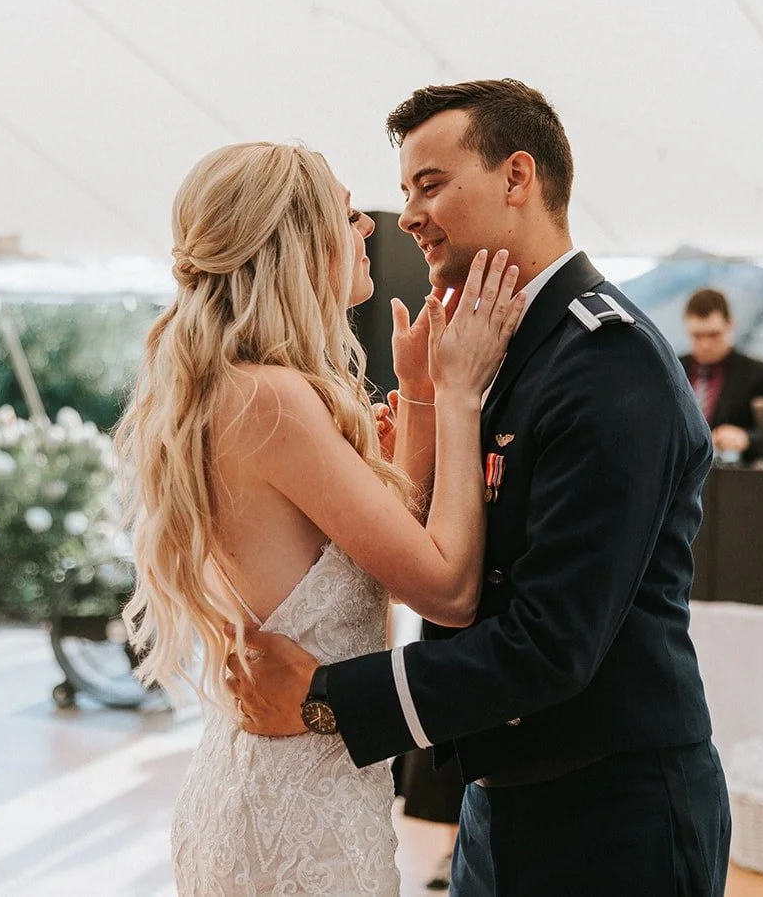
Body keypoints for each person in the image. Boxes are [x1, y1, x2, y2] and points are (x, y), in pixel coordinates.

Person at [230, 80, 730, 896]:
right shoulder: (489, 348)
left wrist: (323, 701)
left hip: (612, 814)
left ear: (516, 178)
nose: (410, 216)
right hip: (502, 802)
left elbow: (551, 641)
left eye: (430, 184)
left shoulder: (608, 361)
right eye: (403, 193)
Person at [115, 141, 525, 895]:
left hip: (277, 782)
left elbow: (380, 574)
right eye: (347, 212)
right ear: (295, 239)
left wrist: (421, 397)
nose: (370, 226)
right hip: (296, 805)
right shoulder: (271, 399)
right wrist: (460, 393)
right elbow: (448, 588)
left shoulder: (233, 389)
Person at [679, 287, 763, 461]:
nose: (705, 344)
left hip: (737, 478)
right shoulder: (672, 371)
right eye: (697, 336)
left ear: (731, 325)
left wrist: (746, 438)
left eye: (714, 334)